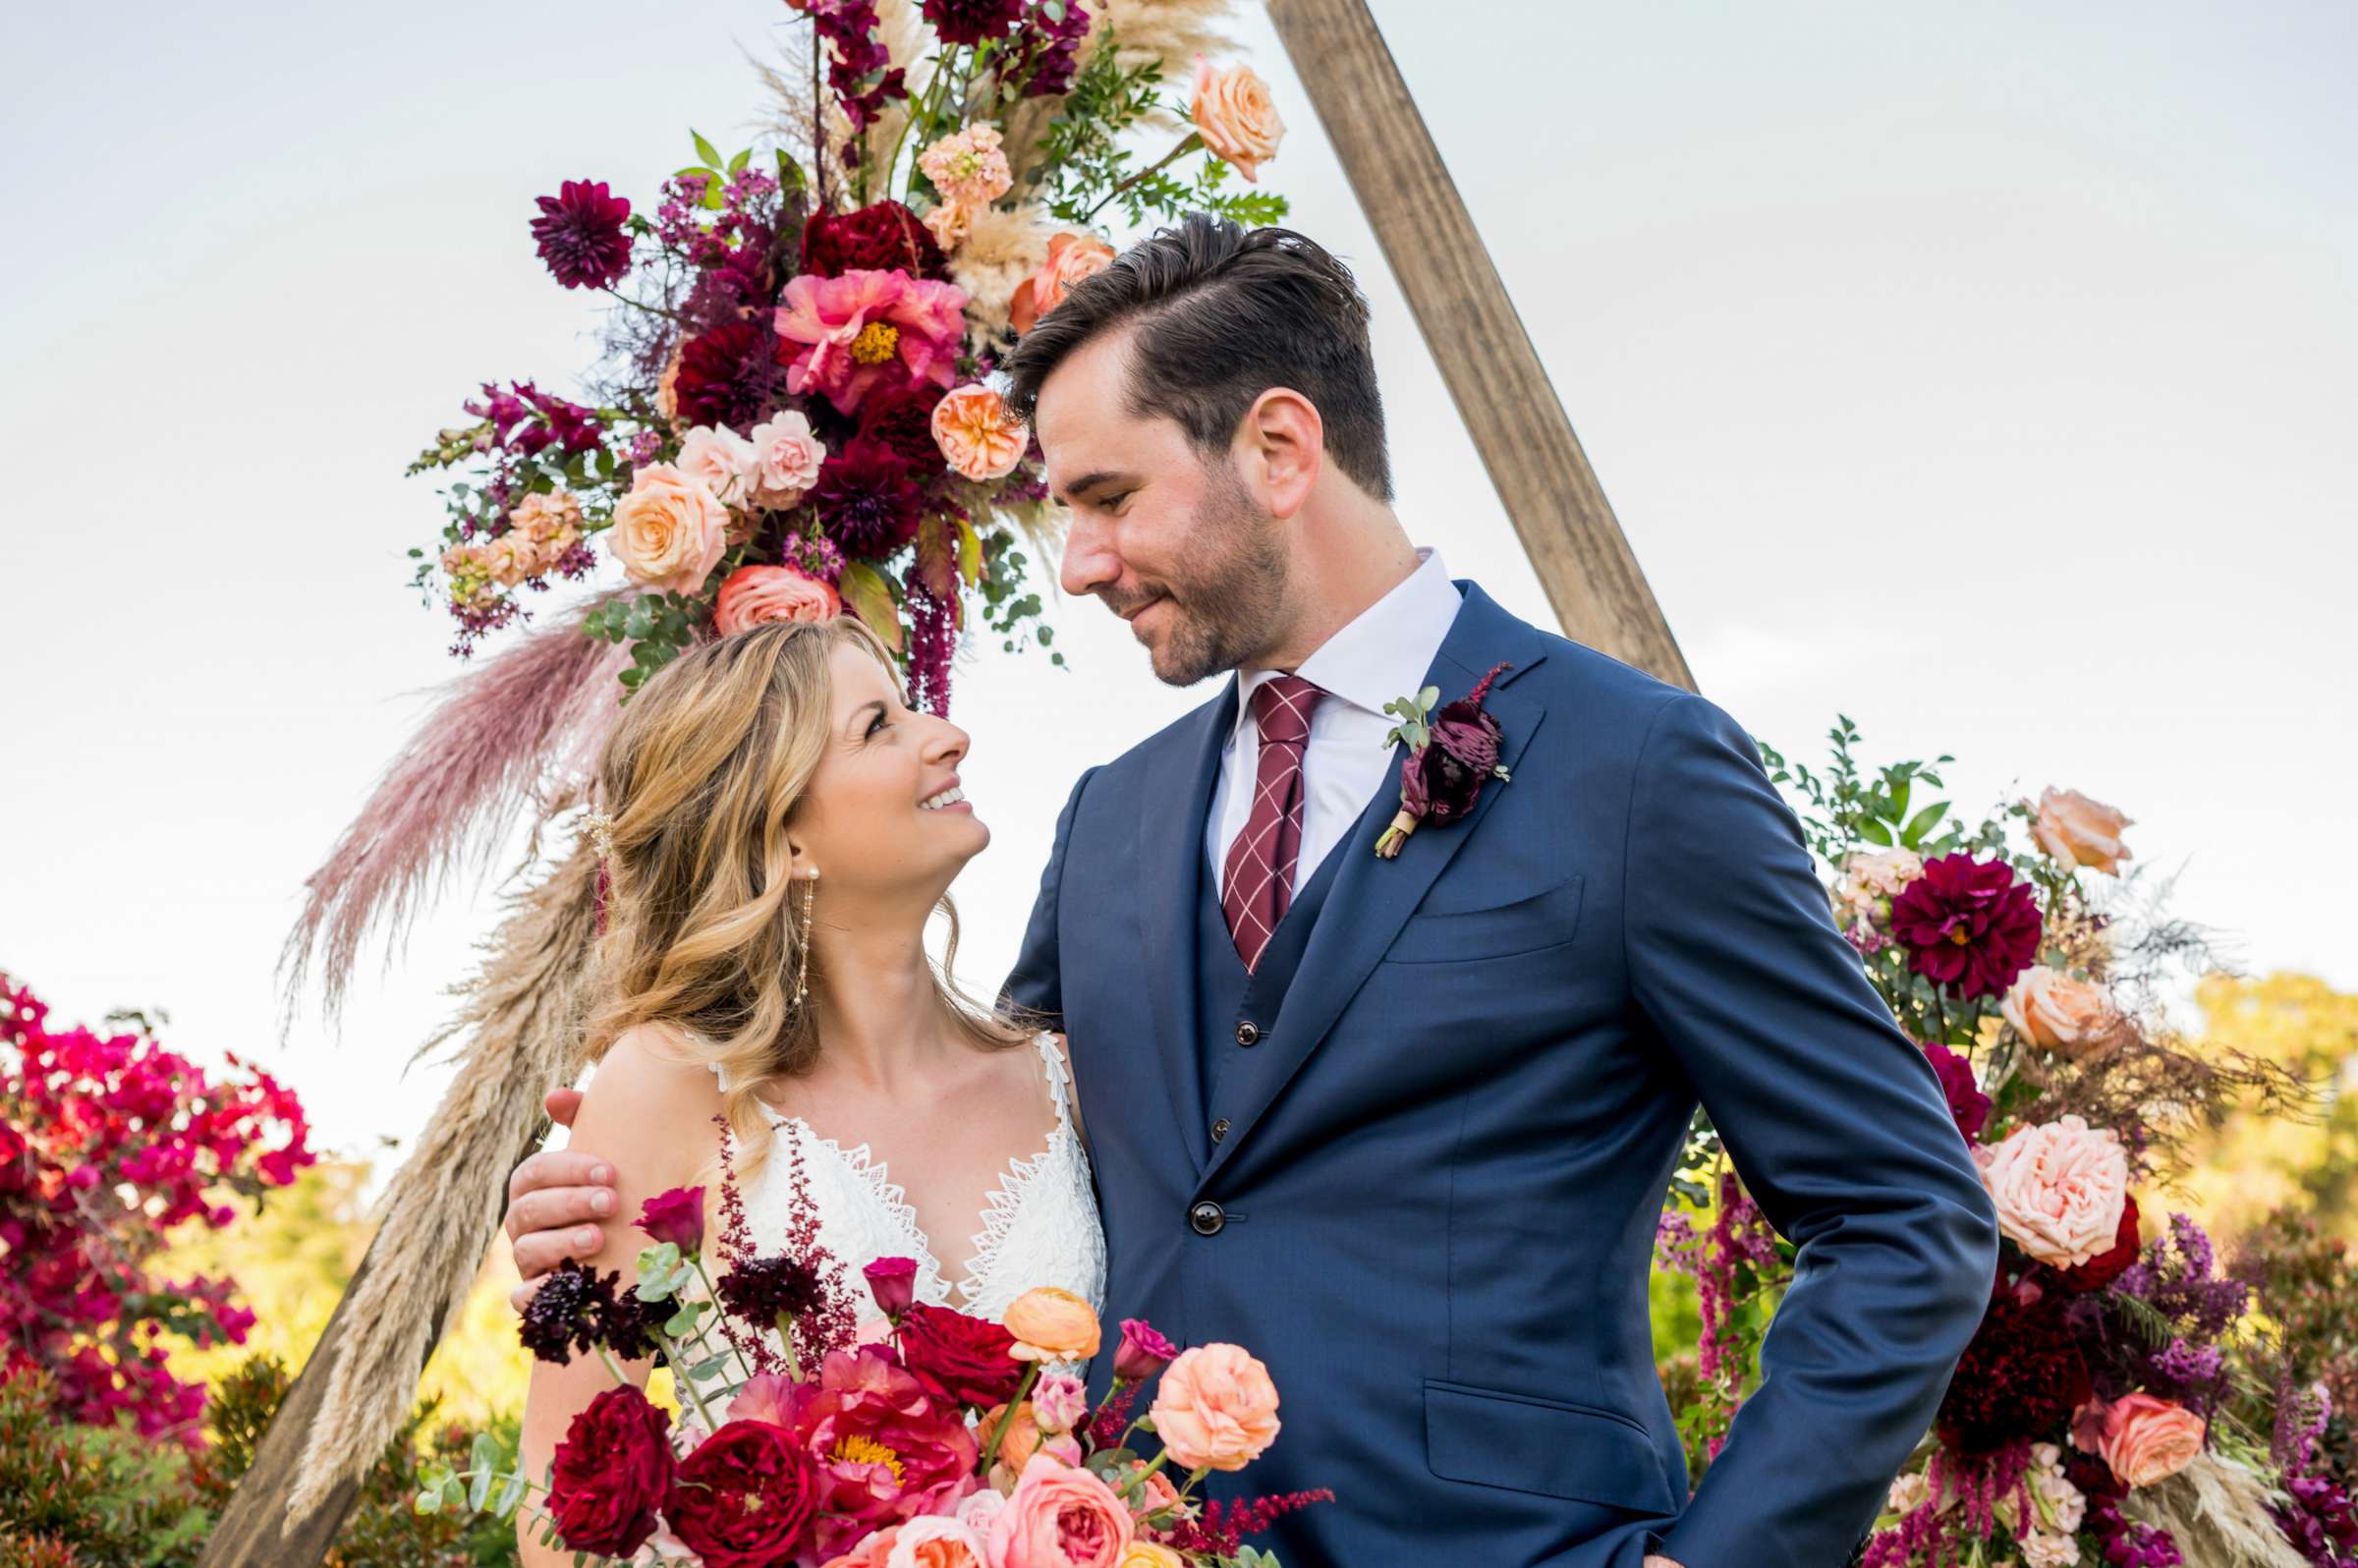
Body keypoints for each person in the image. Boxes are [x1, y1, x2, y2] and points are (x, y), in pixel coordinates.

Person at [507, 214, 1999, 1566]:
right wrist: (618, 1204)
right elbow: (972, 1124)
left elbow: (1903, 1211)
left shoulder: (1636, 770)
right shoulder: (1113, 817)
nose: (1077, 564)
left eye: (1105, 496)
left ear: (1280, 452)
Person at [509, 616, 1102, 1567]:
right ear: (783, 838)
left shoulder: (1065, 1081)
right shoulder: (666, 1085)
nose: (947, 735)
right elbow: (559, 1503)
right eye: (879, 727)